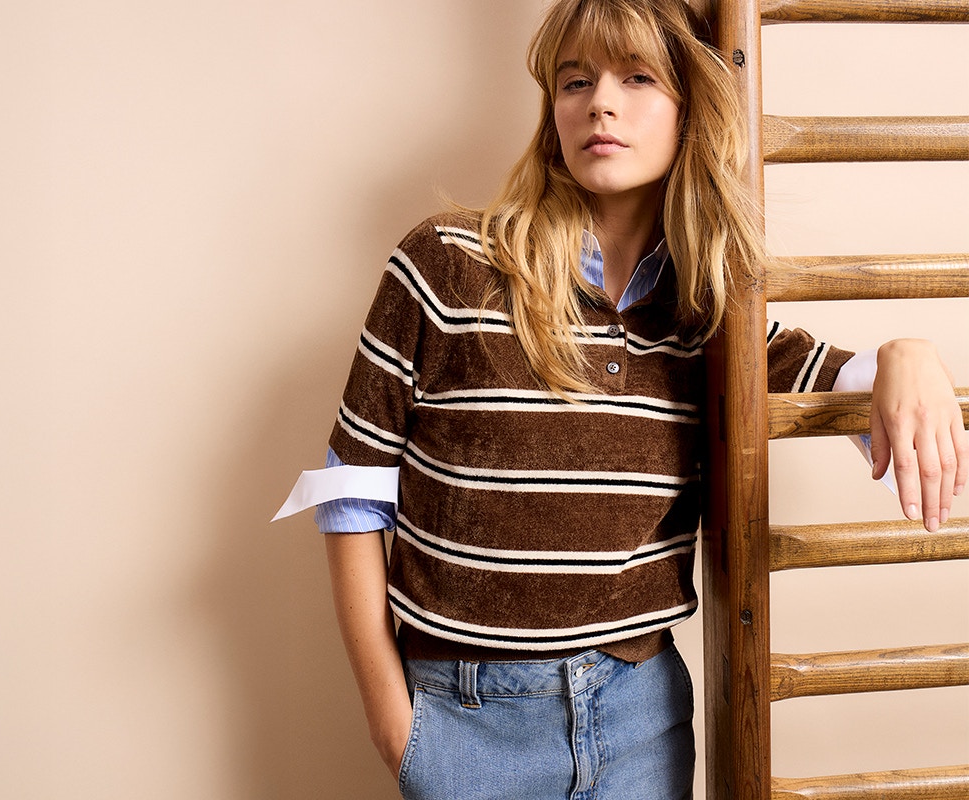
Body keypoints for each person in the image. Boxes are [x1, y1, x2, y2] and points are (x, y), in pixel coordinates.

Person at [274, 0, 967, 796]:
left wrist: (908, 353)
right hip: (465, 720)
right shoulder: (446, 264)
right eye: (576, 82)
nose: (600, 102)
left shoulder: (707, 308)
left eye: (637, 77)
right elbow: (353, 491)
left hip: (640, 718)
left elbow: (839, 381)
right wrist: (394, 724)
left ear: (689, 108)